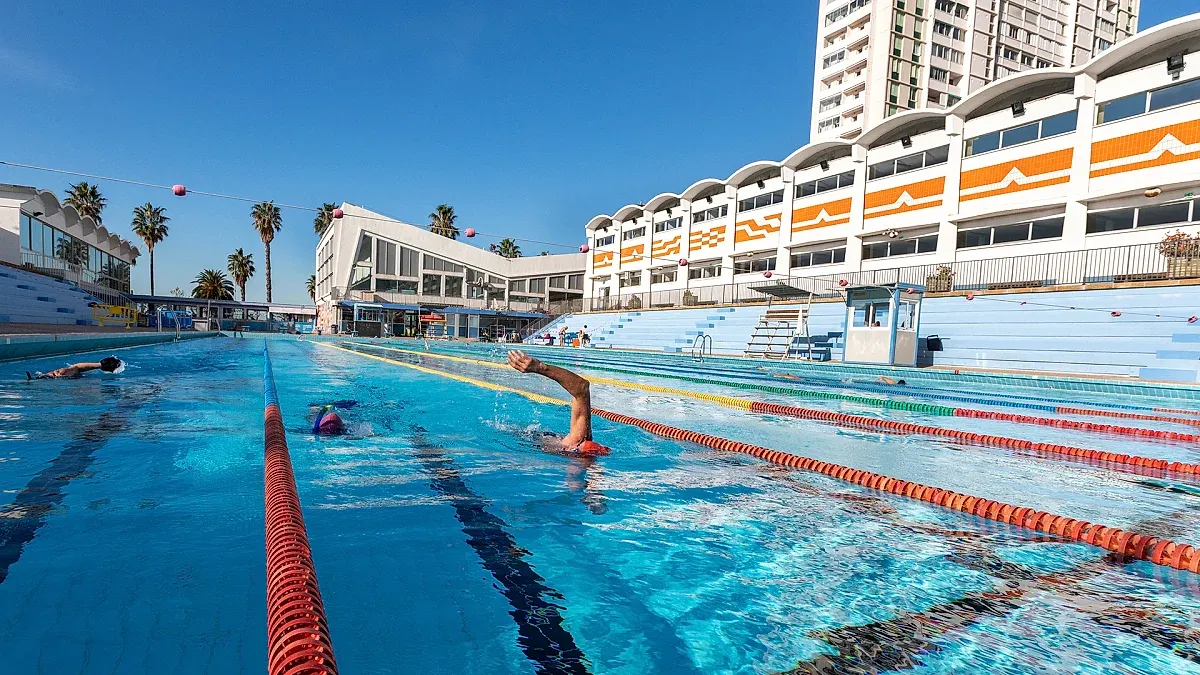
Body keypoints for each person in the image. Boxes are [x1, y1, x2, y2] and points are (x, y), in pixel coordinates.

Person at [507, 350, 607, 455]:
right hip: (534, 441)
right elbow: (581, 386)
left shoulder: (576, 452)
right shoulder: (578, 440)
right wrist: (540, 368)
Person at [27, 356, 125, 381]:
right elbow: (77, 367)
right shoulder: (63, 373)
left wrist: (100, 365)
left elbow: (78, 367)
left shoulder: (70, 373)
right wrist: (100, 365)